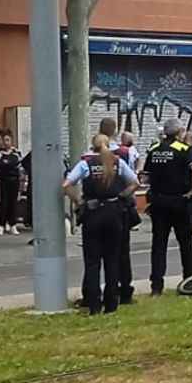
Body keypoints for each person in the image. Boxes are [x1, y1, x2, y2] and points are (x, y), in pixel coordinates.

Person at [63, 133, 138, 315]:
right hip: (114, 214)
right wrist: (121, 196)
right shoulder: (118, 163)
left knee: (92, 262)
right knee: (112, 260)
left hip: (93, 214)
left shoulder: (85, 164)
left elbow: (66, 184)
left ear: (93, 147)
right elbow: (134, 183)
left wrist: (79, 201)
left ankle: (94, 305)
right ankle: (111, 304)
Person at [141, 118, 192, 296]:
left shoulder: (153, 149)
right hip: (179, 202)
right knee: (185, 243)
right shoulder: (183, 149)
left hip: (159, 202)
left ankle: (156, 286)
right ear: (179, 132)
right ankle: (189, 281)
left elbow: (145, 176)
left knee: (158, 244)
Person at [0, 132, 23, 235]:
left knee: (13, 203)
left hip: (14, 181)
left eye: (8, 140)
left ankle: (12, 224)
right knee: (2, 203)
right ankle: (1, 225)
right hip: (2, 181)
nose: (6, 143)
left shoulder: (16, 153)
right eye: (4, 140)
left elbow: (19, 167)